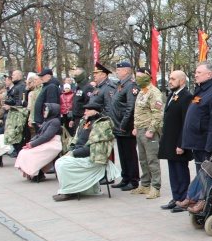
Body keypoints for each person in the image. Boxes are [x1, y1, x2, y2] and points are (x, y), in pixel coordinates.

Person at [52, 100, 119, 201]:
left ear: (95, 112)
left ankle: (68, 191)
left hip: (93, 158)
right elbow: (77, 139)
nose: (85, 112)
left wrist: (73, 153)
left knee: (61, 164)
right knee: (60, 161)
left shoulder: (101, 125)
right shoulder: (86, 121)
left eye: (87, 110)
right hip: (82, 153)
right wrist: (71, 150)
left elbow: (93, 148)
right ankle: (71, 189)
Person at [181, 61, 212, 173]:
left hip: (205, 145)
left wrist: (209, 148)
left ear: (209, 74)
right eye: (196, 72)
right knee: (200, 175)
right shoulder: (202, 90)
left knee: (205, 176)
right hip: (197, 143)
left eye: (199, 72)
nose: (195, 75)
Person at [159, 70, 194, 212]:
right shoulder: (173, 95)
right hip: (170, 141)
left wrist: (182, 143)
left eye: (173, 79)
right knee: (173, 171)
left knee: (181, 171)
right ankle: (176, 197)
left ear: (182, 81)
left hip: (179, 142)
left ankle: (183, 199)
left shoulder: (186, 96)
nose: (170, 81)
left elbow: (186, 122)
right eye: (169, 78)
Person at [131, 67, 163, 199]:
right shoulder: (141, 91)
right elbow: (137, 110)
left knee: (152, 160)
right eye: (136, 76)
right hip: (140, 129)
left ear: (148, 76)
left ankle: (155, 187)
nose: (137, 79)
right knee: (143, 160)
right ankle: (145, 184)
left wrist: (151, 130)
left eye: (140, 76)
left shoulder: (154, 92)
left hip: (149, 130)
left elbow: (158, 113)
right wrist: (135, 126)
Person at [109, 61, 140, 191]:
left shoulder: (131, 85)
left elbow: (130, 107)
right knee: (122, 153)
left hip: (125, 125)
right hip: (118, 125)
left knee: (130, 154)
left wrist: (124, 124)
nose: (117, 72)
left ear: (126, 71)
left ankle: (133, 180)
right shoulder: (120, 85)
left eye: (119, 70)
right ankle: (125, 177)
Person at [14, 103, 62, 181]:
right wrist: (31, 143)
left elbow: (46, 136)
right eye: (45, 110)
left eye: (46, 110)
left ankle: (38, 174)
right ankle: (37, 173)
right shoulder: (48, 120)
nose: (44, 112)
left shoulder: (55, 122)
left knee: (31, 153)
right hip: (47, 142)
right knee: (24, 151)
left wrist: (32, 144)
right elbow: (40, 135)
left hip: (53, 144)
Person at [69, 66, 94, 135]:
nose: (74, 77)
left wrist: (85, 119)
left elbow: (90, 104)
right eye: (74, 75)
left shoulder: (88, 88)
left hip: (83, 119)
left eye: (76, 75)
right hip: (76, 119)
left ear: (82, 75)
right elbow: (76, 104)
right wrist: (72, 119)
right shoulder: (77, 87)